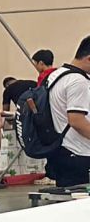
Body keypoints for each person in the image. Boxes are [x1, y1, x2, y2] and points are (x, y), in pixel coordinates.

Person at [43, 36, 90, 186]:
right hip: (79, 154)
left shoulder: (57, 74)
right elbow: (76, 121)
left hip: (61, 150)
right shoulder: (78, 81)